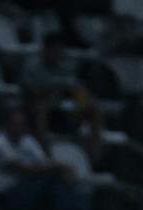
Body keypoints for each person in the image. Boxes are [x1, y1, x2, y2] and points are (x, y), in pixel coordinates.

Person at [0, 106, 81, 210]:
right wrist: (60, 168)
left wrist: (60, 169)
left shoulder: (27, 141)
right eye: (16, 124)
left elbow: (44, 162)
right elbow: (23, 169)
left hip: (30, 190)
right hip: (4, 194)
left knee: (59, 187)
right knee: (54, 181)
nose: (20, 128)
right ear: (7, 124)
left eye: (22, 125)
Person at [20, 32, 104, 161]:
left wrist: (82, 102)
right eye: (55, 50)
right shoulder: (32, 66)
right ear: (46, 50)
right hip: (35, 110)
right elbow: (30, 92)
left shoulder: (67, 67)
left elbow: (76, 89)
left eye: (60, 50)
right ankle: (45, 153)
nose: (58, 54)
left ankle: (95, 154)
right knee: (41, 108)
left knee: (93, 109)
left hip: (60, 110)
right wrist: (52, 88)